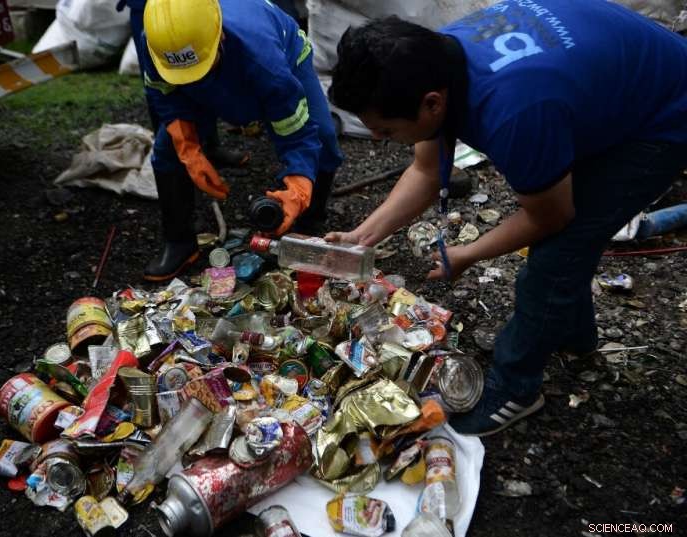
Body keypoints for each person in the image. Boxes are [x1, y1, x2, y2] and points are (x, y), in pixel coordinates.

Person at [326, 0, 687, 436]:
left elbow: (552, 216)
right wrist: (364, 236)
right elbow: (425, 169)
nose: (382, 142)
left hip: (665, 116)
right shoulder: (435, 58)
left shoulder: (515, 112)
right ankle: (571, 335)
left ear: (432, 104)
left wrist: (468, 254)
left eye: (386, 131)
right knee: (570, 244)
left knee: (553, 261)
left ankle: (516, 386)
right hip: (612, 82)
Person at [140, 0, 343, 282]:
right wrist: (188, 149)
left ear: (219, 35)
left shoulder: (266, 63)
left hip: (280, 58)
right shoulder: (159, 42)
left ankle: (308, 227)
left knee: (322, 137)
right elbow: (163, 92)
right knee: (166, 152)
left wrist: (298, 187)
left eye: (203, 67)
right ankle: (179, 241)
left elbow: (297, 134)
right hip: (219, 65)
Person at [115, 0, 247, 168]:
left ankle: (209, 145)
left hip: (187, 7)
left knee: (202, 70)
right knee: (159, 81)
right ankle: (171, 154)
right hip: (146, 8)